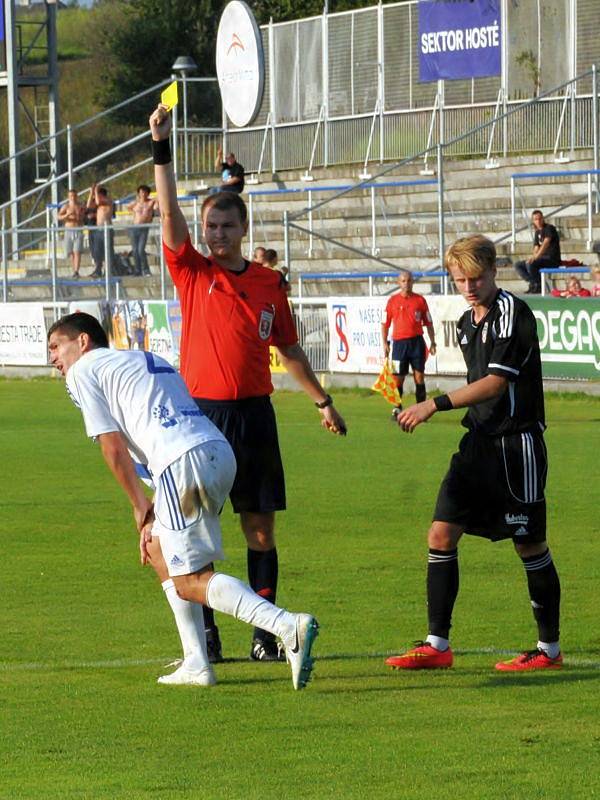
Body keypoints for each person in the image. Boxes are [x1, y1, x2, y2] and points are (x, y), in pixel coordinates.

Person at [150, 102, 346, 669]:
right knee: (195, 536)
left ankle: (266, 632)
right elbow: (168, 217)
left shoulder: (267, 284)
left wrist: (322, 401)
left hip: (254, 415)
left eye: (226, 226)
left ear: (243, 230)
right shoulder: (192, 271)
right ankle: (207, 637)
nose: (216, 234)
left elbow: (287, 349)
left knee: (259, 530)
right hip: (199, 419)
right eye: (210, 225)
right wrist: (161, 148)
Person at [47, 311, 319, 690]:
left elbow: (112, 447)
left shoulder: (83, 371)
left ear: (83, 342)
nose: (53, 359)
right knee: (160, 547)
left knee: (190, 580)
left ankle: (287, 626)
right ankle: (197, 662)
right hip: (215, 454)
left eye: (56, 347)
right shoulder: (144, 359)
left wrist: (140, 507)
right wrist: (155, 508)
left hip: (182, 463)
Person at [385, 235, 562, 673]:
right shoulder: (467, 323)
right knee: (440, 534)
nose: (468, 286)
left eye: (476, 277)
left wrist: (432, 404)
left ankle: (549, 651)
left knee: (529, 544)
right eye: (460, 279)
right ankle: (436, 645)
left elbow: (496, 384)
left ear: (493, 271)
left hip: (515, 446)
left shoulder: (512, 315)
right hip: (477, 443)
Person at [380, 270, 437, 420]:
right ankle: (397, 408)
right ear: (398, 283)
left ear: (413, 282)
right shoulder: (392, 301)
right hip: (399, 344)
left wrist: (432, 341)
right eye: (403, 281)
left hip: (417, 343)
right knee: (398, 378)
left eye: (409, 280)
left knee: (419, 377)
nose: (406, 283)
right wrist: (384, 343)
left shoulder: (420, 300)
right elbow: (385, 324)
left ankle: (421, 410)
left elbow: (429, 323)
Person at [514, 209, 561, 295]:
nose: (538, 221)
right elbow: (536, 247)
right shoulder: (537, 232)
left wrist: (535, 258)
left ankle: (538, 285)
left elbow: (545, 244)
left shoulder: (549, 228)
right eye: (536, 219)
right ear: (533, 221)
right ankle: (533, 283)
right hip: (541, 259)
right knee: (518, 265)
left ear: (543, 219)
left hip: (552, 259)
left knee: (531, 264)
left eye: (540, 219)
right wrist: (532, 257)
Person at [128, 184, 158, 276]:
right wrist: (136, 202)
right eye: (141, 192)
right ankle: (137, 270)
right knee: (135, 250)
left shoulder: (151, 202)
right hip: (134, 228)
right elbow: (128, 207)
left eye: (145, 192)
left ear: (148, 193)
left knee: (141, 250)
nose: (143, 194)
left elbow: (156, 205)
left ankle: (146, 270)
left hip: (144, 228)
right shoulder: (136, 203)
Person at [88, 183, 114, 278]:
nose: (95, 197)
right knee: (97, 250)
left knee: (108, 250)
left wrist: (96, 190)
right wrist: (91, 193)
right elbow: (89, 206)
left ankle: (109, 270)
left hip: (106, 229)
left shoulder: (108, 201)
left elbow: (98, 202)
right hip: (98, 229)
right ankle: (98, 269)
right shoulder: (99, 204)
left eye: (97, 195)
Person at [58, 189, 85, 279]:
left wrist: (80, 215)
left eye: (74, 196)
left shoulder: (80, 206)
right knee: (71, 253)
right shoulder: (66, 206)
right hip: (69, 230)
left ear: (76, 196)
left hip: (78, 229)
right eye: (71, 196)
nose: (73, 198)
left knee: (77, 252)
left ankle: (76, 271)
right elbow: (58, 217)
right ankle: (74, 270)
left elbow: (83, 216)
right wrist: (67, 215)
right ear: (68, 197)